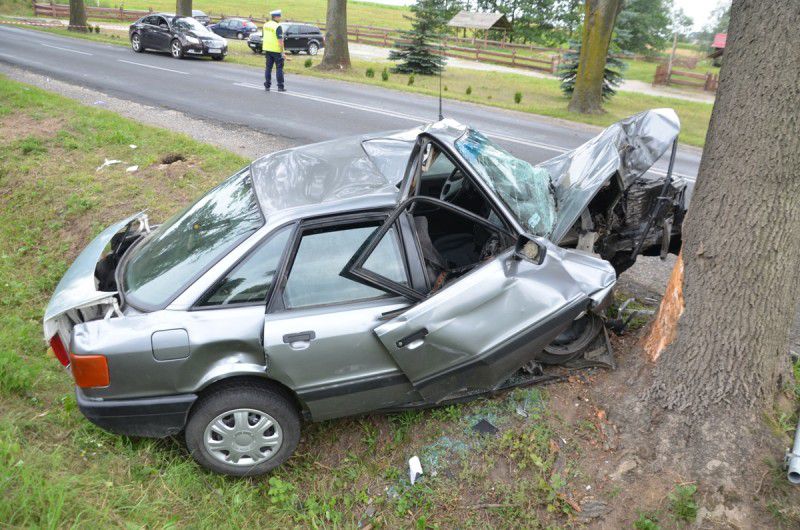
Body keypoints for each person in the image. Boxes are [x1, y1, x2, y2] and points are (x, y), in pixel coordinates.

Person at [263, 10, 285, 92]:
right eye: (279, 16)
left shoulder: (265, 25)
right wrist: (282, 52)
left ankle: (267, 85)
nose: (280, 18)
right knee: (279, 68)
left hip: (267, 49)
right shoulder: (277, 26)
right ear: (275, 17)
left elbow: (264, 36)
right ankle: (280, 86)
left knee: (268, 68)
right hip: (276, 50)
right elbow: (280, 41)